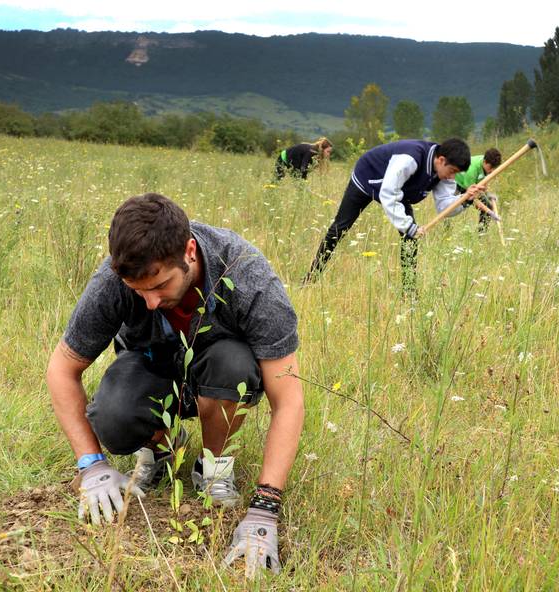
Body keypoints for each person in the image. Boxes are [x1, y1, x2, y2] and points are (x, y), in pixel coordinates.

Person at [46, 193, 304, 576]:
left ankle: (214, 467)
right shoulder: (113, 280)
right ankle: (164, 447)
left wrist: (265, 507)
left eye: (160, 285)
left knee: (232, 363)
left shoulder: (249, 276)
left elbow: (289, 401)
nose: (150, 302)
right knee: (114, 416)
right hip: (153, 368)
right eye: (139, 291)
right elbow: (62, 368)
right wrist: (91, 465)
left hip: (217, 372)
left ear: (189, 251)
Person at [305, 138, 486, 287]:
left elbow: (444, 207)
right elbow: (388, 193)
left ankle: (409, 293)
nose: (452, 177)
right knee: (340, 228)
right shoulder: (410, 158)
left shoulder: (445, 174)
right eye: (452, 171)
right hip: (367, 177)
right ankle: (311, 278)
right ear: (441, 160)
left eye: (456, 174)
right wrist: (409, 226)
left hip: (400, 191)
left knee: (410, 241)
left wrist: (466, 199)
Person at [455, 148, 502, 233]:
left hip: (471, 185)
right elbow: (472, 198)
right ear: (484, 161)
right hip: (458, 184)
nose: (492, 171)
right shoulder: (472, 170)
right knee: (449, 209)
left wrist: (487, 194)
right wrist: (490, 212)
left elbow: (483, 181)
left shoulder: (487, 163)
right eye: (491, 167)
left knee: (488, 206)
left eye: (494, 168)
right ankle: (446, 231)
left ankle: (482, 235)